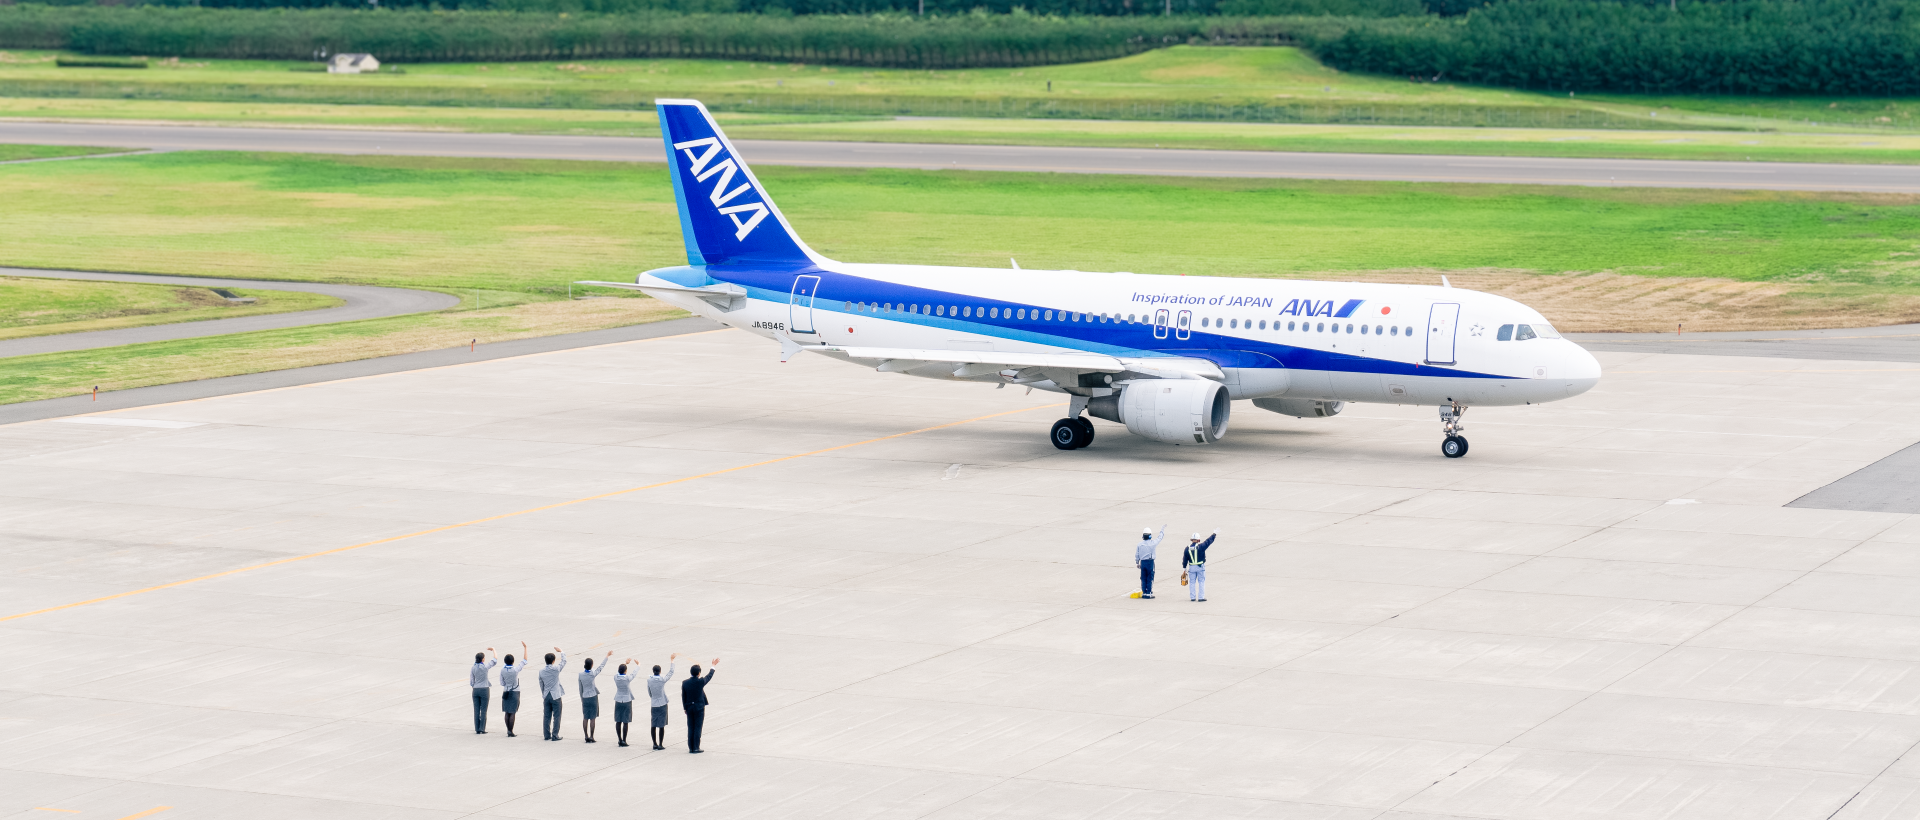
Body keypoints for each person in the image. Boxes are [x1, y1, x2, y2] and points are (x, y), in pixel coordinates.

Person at [682, 658, 719, 754]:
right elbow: (709, 676)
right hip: (699, 707)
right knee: (698, 727)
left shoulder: (685, 683)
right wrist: (713, 666)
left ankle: (690, 747)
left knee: (690, 727)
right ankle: (696, 747)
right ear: (699, 673)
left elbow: (684, 696)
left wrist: (685, 708)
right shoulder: (700, 682)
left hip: (689, 707)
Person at [647, 653, 678, 750]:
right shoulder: (662, 679)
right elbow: (670, 672)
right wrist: (672, 660)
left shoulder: (649, 680)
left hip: (654, 703)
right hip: (662, 703)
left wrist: (653, 697)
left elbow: (649, 692)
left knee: (653, 724)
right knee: (661, 725)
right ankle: (660, 744)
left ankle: (654, 743)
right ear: (660, 671)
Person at [579, 650, 610, 744]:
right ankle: (592, 736)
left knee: (585, 717)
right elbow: (601, 667)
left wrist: (582, 698)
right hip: (592, 696)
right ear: (592, 665)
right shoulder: (593, 673)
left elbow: (580, 688)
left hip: (585, 696)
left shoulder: (580, 675)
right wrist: (607, 656)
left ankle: (586, 736)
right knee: (592, 718)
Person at [499, 641, 529, 737]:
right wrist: (525, 648)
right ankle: (511, 731)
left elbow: (501, 683)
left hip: (506, 691)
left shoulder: (502, 670)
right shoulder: (515, 670)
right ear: (513, 661)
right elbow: (524, 660)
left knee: (507, 711)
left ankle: (508, 729)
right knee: (513, 712)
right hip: (515, 691)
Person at [539, 647, 567, 741]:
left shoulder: (541, 671)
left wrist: (544, 693)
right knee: (557, 716)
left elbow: (541, 684)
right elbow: (564, 661)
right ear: (554, 661)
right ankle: (555, 735)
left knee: (547, 716)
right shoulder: (556, 669)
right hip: (556, 695)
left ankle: (546, 735)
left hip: (546, 695)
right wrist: (561, 652)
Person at [613, 658, 641, 747]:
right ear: (625, 671)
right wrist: (638, 665)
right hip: (627, 700)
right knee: (625, 721)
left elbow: (619, 671)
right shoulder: (627, 678)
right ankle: (624, 740)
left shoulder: (616, 677)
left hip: (618, 699)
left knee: (618, 721)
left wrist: (625, 663)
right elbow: (634, 673)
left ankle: (619, 739)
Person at [1183, 529, 1217, 602]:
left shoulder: (1187, 548)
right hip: (1200, 567)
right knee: (1201, 582)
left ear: (1191, 539)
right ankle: (1201, 597)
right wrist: (1214, 534)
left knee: (1192, 582)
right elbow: (1208, 542)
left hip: (1191, 567)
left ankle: (1192, 597)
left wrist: (1184, 568)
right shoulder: (1201, 546)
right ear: (1198, 540)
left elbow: (1185, 559)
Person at [470, 648, 497, 734]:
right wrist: (493, 650)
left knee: (476, 710)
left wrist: (475, 686)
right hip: (484, 689)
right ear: (483, 659)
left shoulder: (473, 668)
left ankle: (477, 728)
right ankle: (482, 728)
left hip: (475, 690)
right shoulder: (485, 667)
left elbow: (471, 681)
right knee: (484, 710)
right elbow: (494, 660)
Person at [1135, 525, 1165, 599]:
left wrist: (1137, 562)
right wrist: (1162, 530)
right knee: (1150, 577)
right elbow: (1159, 538)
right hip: (1150, 562)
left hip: (1142, 562)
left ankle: (1144, 592)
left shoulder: (1139, 544)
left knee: (1143, 578)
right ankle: (1149, 592)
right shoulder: (1153, 543)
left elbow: (1137, 554)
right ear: (1150, 536)